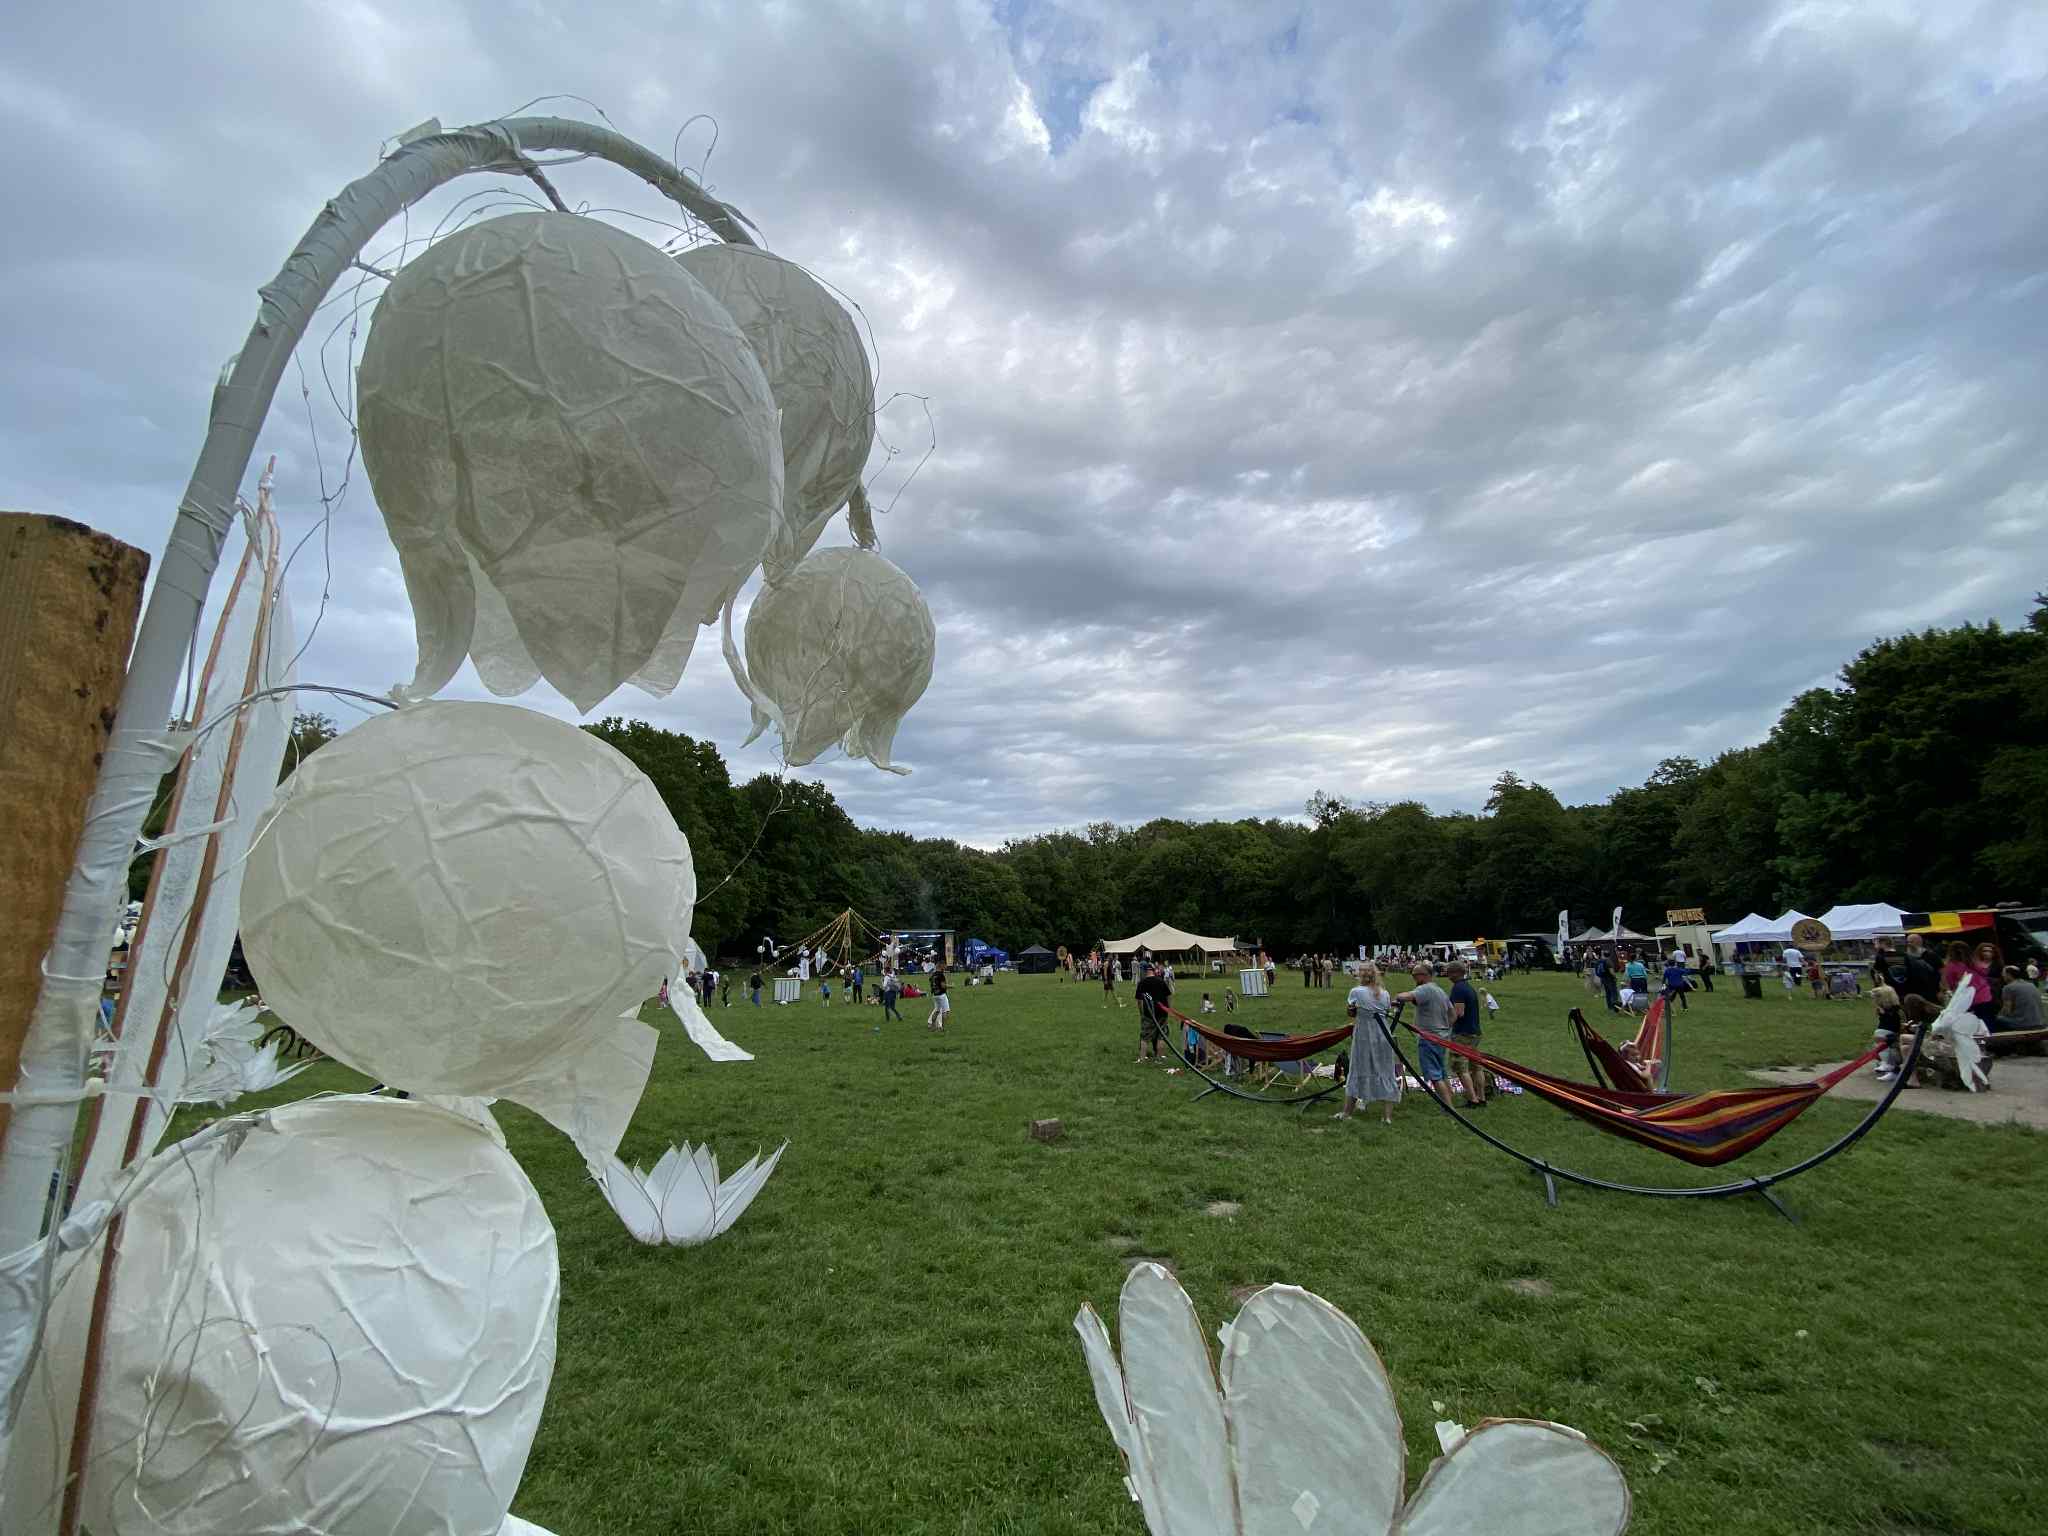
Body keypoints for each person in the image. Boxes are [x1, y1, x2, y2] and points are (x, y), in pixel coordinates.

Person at [1336, 962, 1399, 1124]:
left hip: (1364, 1035)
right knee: (1386, 1071)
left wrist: (1354, 1010)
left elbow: (1351, 1012)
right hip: (1383, 1035)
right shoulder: (1384, 993)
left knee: (1358, 1069)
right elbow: (1386, 1011)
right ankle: (1387, 1117)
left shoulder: (1356, 992)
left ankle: (1346, 1113)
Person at [1394, 962, 1453, 1106]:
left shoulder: (1425, 989)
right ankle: (1449, 1098)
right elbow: (1452, 1013)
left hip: (1429, 1038)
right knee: (1441, 1071)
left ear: (1425, 975)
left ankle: (1448, 1107)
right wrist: (1445, 1028)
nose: (1414, 978)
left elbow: (1406, 996)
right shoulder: (1439, 990)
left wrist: (1396, 997)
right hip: (1442, 1037)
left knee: (1434, 1074)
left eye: (1415, 975)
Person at [1444, 960, 1487, 1108]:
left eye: (1449, 972)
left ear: (1456, 973)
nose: (1447, 975)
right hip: (1474, 1032)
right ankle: (1481, 1097)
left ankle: (1472, 1099)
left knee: (1460, 1067)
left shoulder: (1458, 989)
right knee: (1476, 1066)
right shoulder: (1468, 987)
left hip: (1462, 1034)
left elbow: (1459, 1013)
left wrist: (1446, 1025)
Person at [1941, 941, 1997, 1031]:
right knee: (1988, 1024)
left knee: (1975, 1028)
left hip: (1970, 999)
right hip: (1985, 995)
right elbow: (1985, 972)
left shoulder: (1951, 966)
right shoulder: (1974, 963)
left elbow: (1951, 985)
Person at [1134, 963, 1172, 1063]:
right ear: (1153, 971)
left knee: (1145, 1037)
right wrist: (1168, 1009)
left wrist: (1141, 1013)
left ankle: (1142, 1059)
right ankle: (1159, 1058)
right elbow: (1168, 995)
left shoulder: (1142, 983)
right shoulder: (1161, 981)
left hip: (1149, 1013)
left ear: (1144, 971)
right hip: (1162, 1012)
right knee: (1161, 1036)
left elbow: (1139, 1000)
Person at [1870, 978, 1904, 1078]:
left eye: (1877, 999)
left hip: (1895, 1032)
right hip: (1890, 1032)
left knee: (1880, 1035)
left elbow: (1898, 1025)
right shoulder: (1885, 1010)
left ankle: (1888, 1064)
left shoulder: (1895, 1011)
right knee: (1879, 1038)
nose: (1875, 1001)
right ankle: (1886, 1063)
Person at [1997, 966, 2044, 1034]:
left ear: (2008, 975)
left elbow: (2007, 1010)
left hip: (2023, 1025)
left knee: (1998, 1019)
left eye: (2003, 975)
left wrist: (1998, 1015)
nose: (2003, 977)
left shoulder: (2008, 988)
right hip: (2040, 1023)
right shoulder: (2032, 985)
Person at [927, 966, 950, 1032]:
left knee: (937, 1011)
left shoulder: (933, 975)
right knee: (945, 1011)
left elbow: (930, 981)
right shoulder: (941, 975)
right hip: (941, 994)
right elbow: (943, 986)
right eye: (944, 966)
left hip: (935, 994)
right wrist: (951, 986)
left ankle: (932, 1026)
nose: (945, 968)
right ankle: (942, 1028)